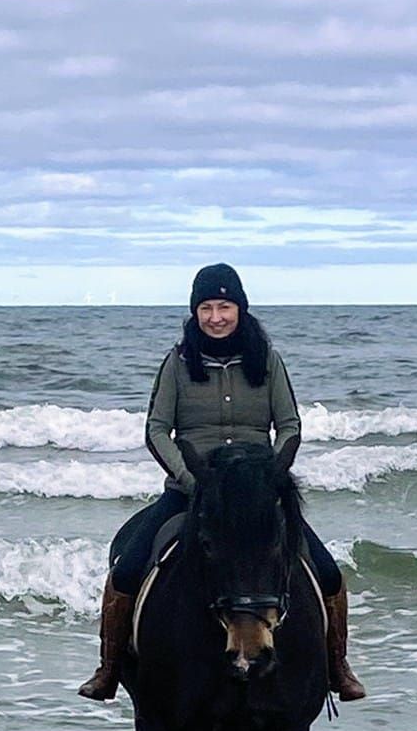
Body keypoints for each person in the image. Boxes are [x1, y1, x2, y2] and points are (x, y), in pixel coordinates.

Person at [77, 262, 366, 703]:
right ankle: (109, 668)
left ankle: (337, 666)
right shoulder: (177, 362)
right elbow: (157, 430)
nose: (215, 317)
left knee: (326, 572)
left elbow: (289, 425)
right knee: (129, 567)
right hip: (191, 492)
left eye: (224, 306)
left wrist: (272, 477)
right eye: (206, 307)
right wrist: (192, 482)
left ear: (240, 309)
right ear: (195, 312)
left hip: (256, 495)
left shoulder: (267, 361)